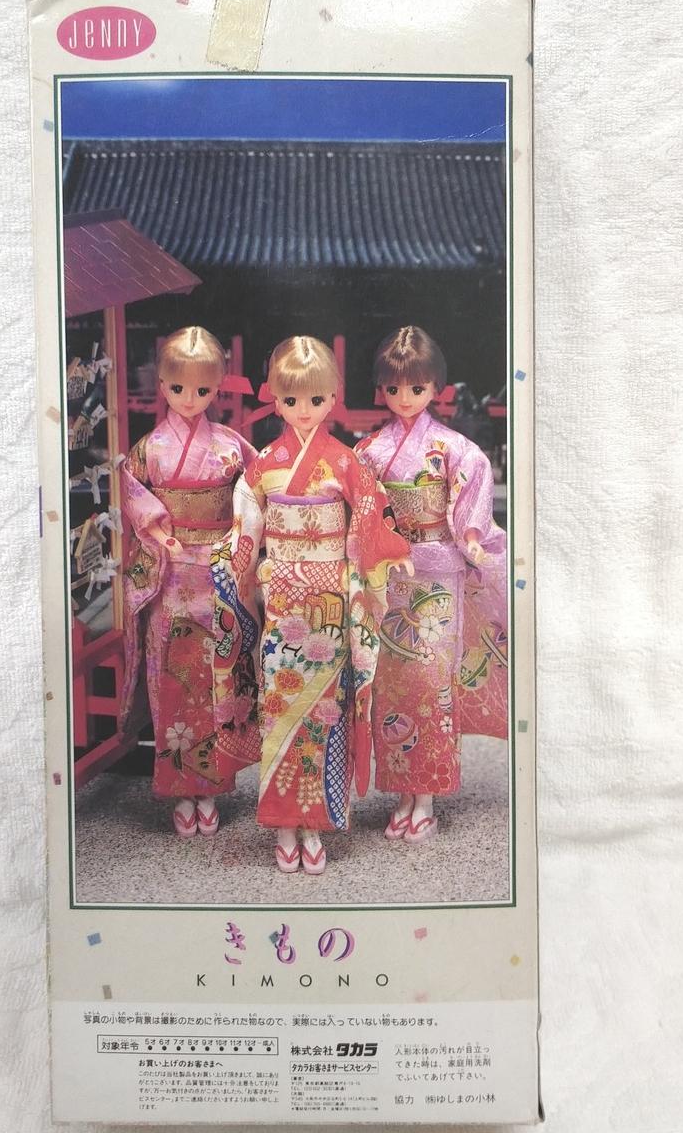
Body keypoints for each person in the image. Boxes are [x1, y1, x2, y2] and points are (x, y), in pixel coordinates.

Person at [212, 336, 411, 874]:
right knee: (280, 706)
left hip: (329, 599)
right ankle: (283, 823)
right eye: (292, 400)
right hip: (282, 599)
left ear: (333, 398)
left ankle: (316, 822)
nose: (304, 410)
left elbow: (369, 520)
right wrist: (234, 561)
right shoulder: (263, 466)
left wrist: (379, 563)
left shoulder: (346, 462)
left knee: (327, 710)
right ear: (275, 400)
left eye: (316, 400)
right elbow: (246, 525)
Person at [355, 326, 508, 843]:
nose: (405, 398)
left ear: (435, 388)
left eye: (416, 388)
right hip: (389, 577)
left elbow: (471, 500)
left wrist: (471, 537)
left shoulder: (454, 449)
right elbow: (363, 514)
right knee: (392, 686)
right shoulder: (368, 452)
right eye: (394, 388)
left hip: (438, 571)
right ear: (382, 388)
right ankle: (402, 792)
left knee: (432, 685)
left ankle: (427, 796)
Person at [118, 327, 259, 838]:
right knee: (173, 680)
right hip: (171, 572)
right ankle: (182, 790)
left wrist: (240, 541)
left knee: (218, 676)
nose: (190, 398)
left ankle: (212, 787)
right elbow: (132, 491)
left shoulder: (232, 447)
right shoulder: (150, 449)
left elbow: (255, 493)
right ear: (162, 385)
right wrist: (158, 530)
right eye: (178, 388)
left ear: (217, 387)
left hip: (220, 570)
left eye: (202, 389)